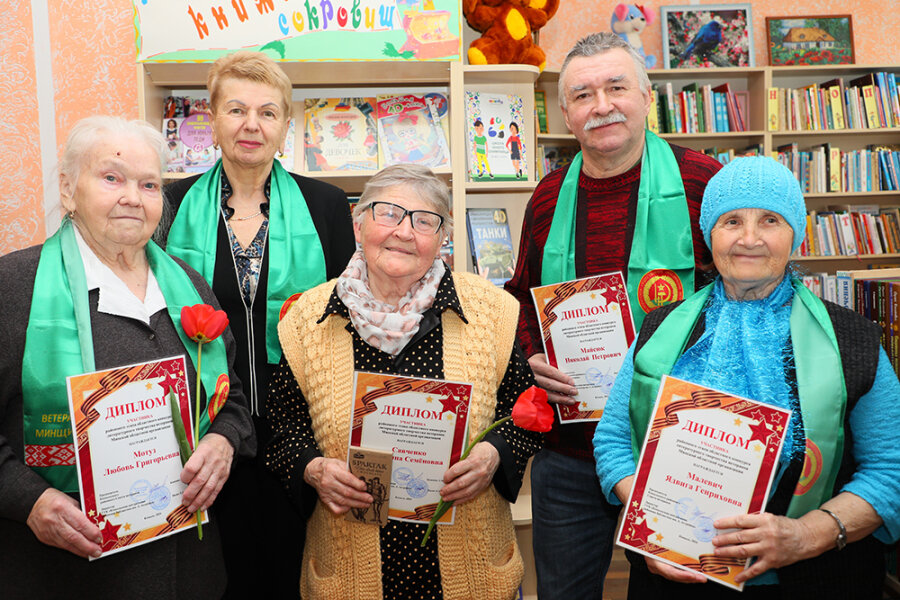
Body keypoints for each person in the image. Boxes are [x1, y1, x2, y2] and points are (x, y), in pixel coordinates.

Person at [594, 157, 900, 599]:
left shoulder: (854, 340)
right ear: (709, 235)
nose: (749, 238)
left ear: (795, 233)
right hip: (676, 580)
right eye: (731, 221)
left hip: (819, 581)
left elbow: (890, 470)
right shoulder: (659, 329)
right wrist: (653, 526)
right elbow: (613, 443)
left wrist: (805, 535)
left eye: (770, 220)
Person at [503, 31, 722, 599]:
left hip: (676, 447)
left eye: (616, 87)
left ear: (648, 96)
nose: (601, 105)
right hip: (572, 454)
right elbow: (524, 296)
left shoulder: (705, 183)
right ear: (566, 114)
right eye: (582, 95)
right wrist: (531, 353)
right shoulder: (547, 196)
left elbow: (745, 293)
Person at [0, 116, 255, 599]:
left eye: (150, 184)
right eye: (112, 178)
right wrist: (27, 500)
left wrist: (223, 441)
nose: (133, 198)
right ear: (69, 190)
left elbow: (232, 398)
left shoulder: (189, 286)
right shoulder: (12, 287)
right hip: (67, 575)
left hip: (191, 570)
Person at [266, 164, 542, 599]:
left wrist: (493, 455)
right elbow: (282, 428)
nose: (404, 231)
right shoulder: (306, 318)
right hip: (350, 571)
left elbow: (527, 412)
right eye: (388, 213)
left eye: (424, 220)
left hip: (470, 569)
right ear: (359, 224)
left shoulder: (494, 311)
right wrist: (313, 470)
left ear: (442, 236)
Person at [164, 51, 355, 599]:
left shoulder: (325, 205)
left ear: (286, 125)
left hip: (300, 428)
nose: (252, 125)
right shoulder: (172, 205)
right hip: (206, 427)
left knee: (293, 572)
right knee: (219, 576)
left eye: (268, 112)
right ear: (213, 118)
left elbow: (348, 314)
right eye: (237, 110)